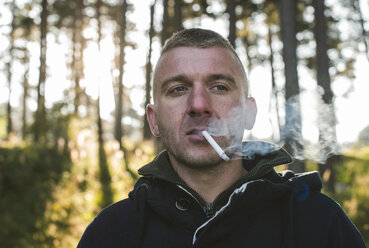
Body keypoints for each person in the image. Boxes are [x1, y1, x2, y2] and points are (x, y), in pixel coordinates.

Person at [77, 28, 366, 248]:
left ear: (249, 113)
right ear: (154, 120)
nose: (199, 104)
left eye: (218, 86)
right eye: (178, 89)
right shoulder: (111, 233)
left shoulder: (318, 223)